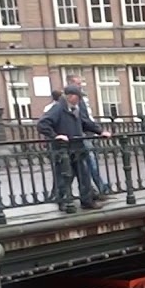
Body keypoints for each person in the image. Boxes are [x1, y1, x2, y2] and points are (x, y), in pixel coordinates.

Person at [37, 84, 111, 213]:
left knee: (84, 175)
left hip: (77, 148)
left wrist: (100, 131)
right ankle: (64, 202)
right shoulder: (58, 109)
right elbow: (42, 124)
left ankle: (87, 201)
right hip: (63, 149)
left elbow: (85, 123)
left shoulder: (75, 109)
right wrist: (56, 136)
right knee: (64, 177)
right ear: (70, 96)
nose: (79, 100)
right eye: (78, 97)